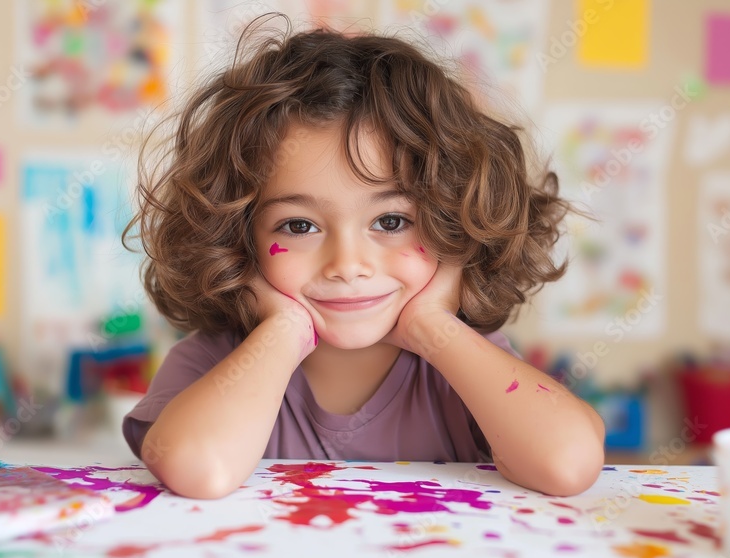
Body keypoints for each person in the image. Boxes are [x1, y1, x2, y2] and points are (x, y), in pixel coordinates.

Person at [121, 14, 605, 500]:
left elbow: (568, 463)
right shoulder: (214, 359)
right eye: (299, 226)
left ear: (455, 225)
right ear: (235, 237)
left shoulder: (461, 360)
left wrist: (432, 327)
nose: (348, 264)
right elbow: (196, 468)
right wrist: (285, 331)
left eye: (391, 222)